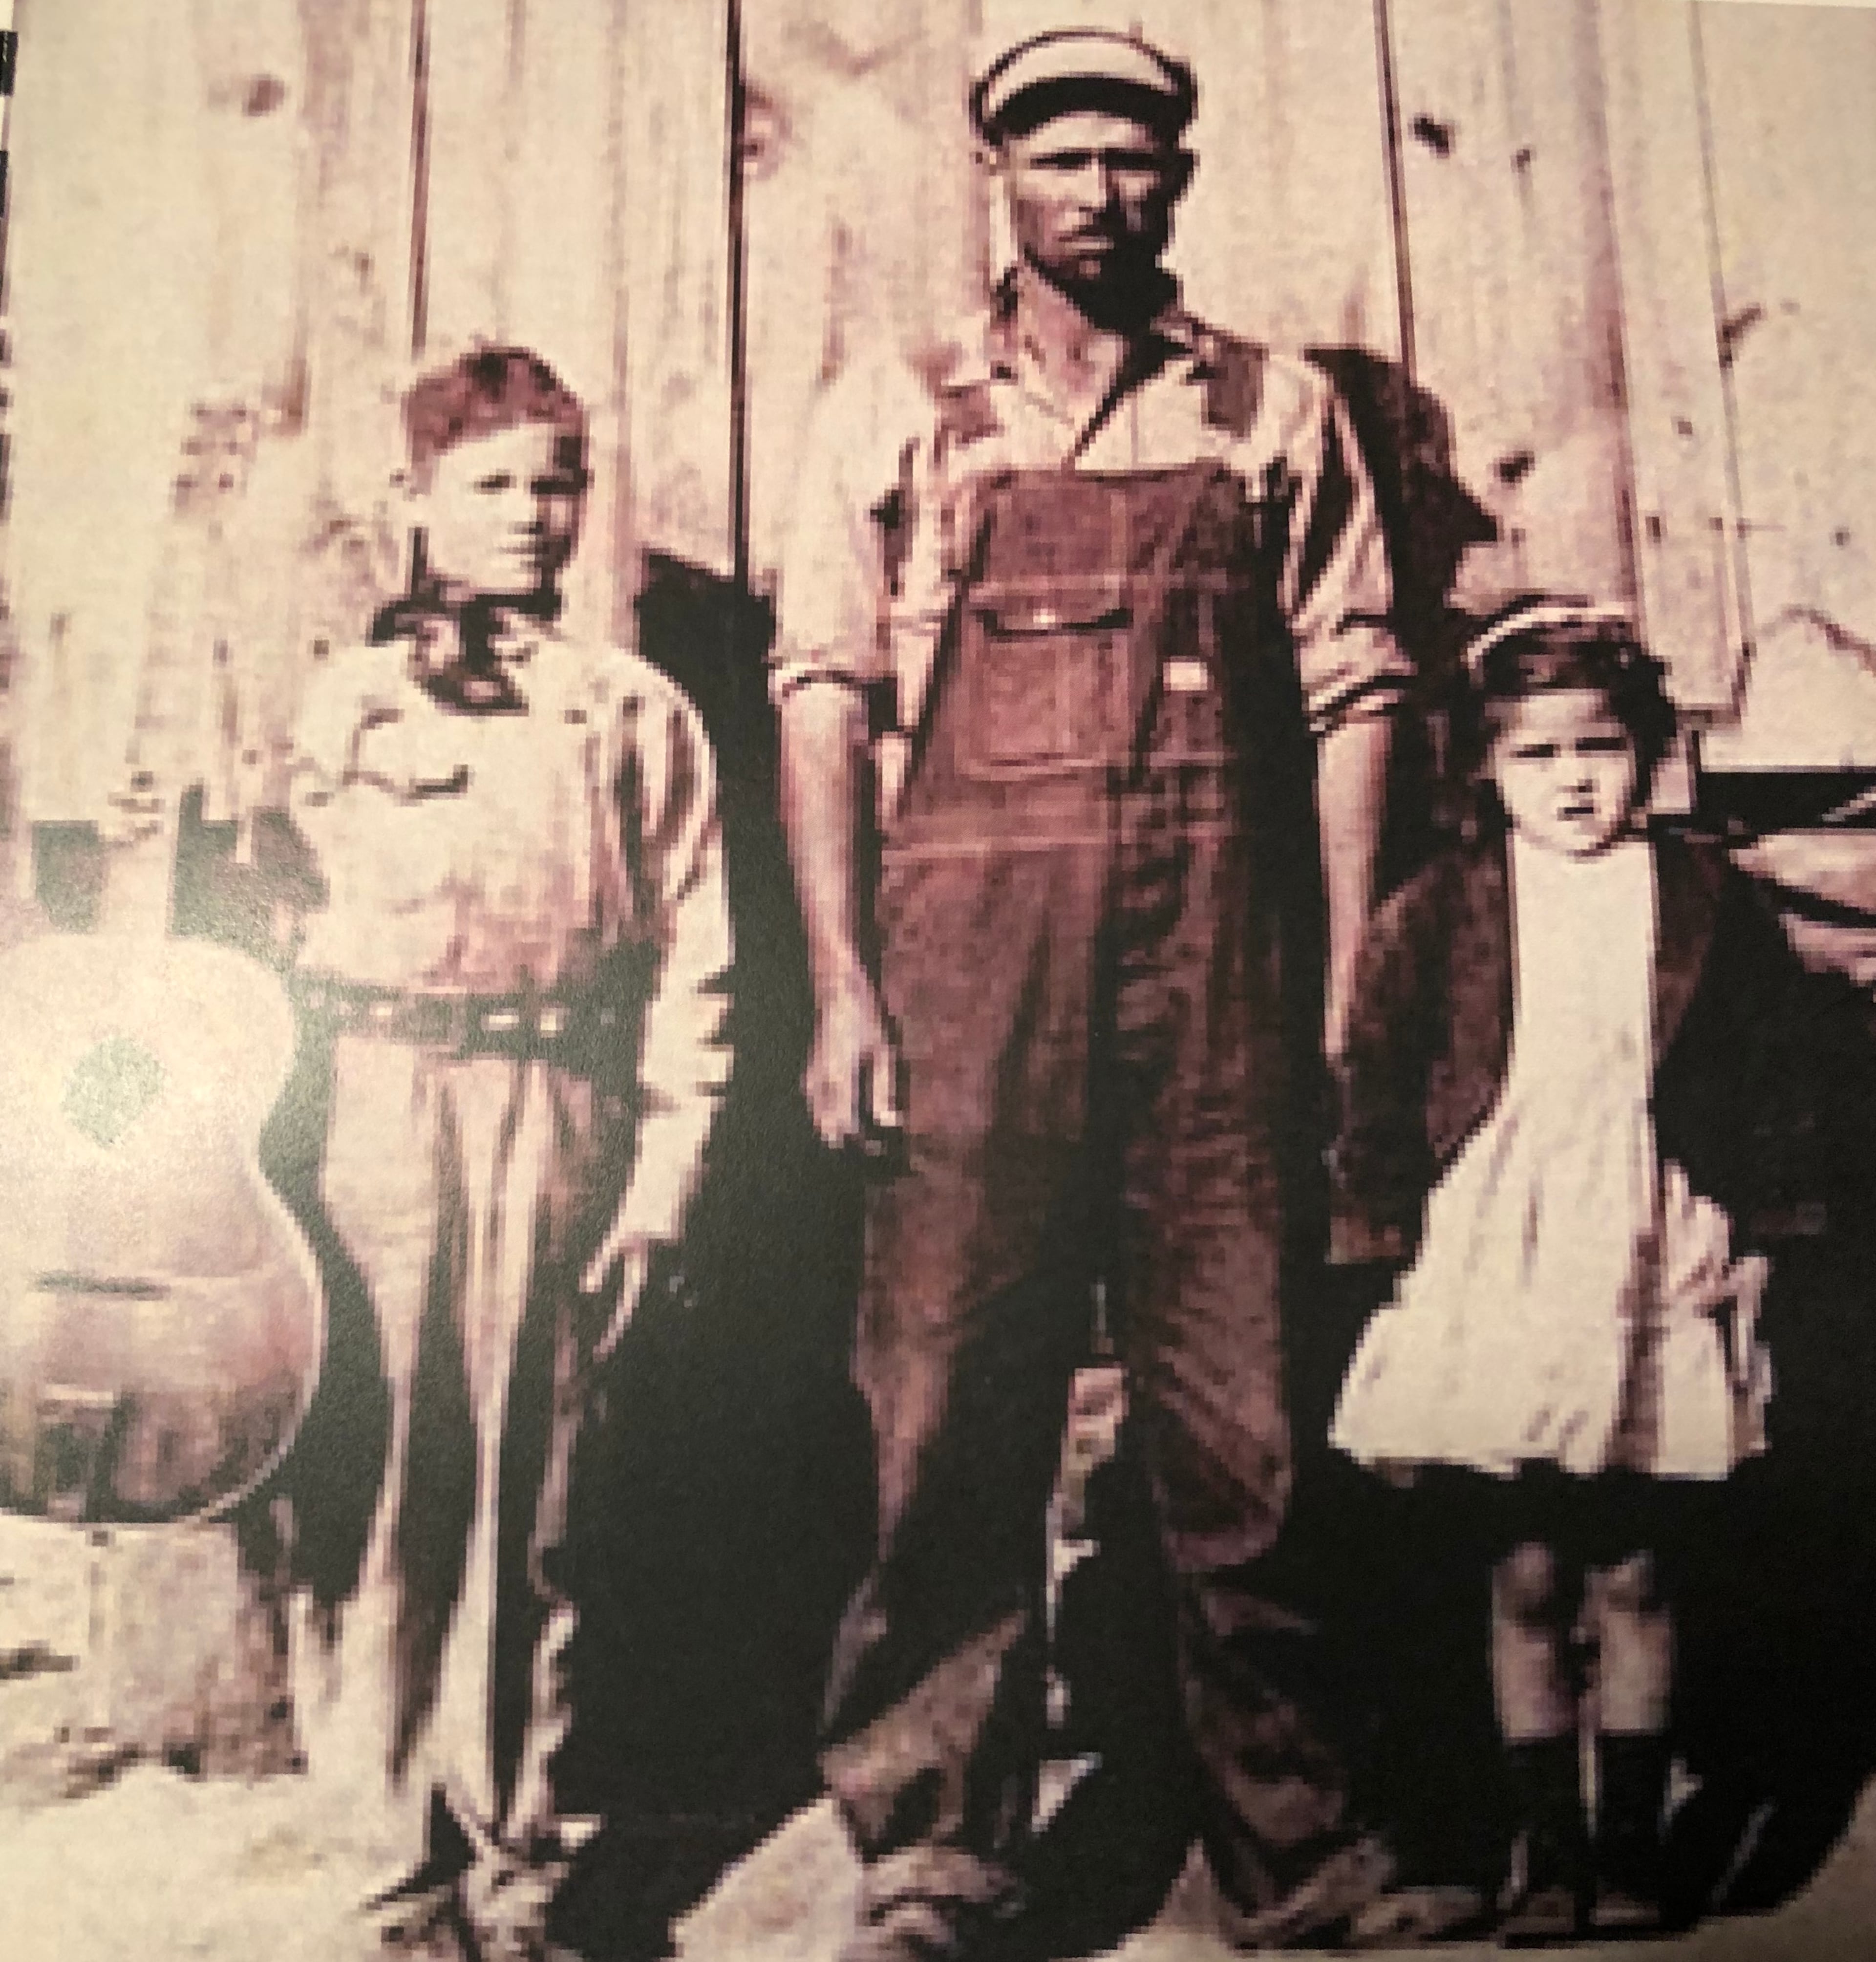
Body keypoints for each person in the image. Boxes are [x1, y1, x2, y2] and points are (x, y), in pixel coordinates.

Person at [773, 25, 1425, 1957]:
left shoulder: (1268, 409)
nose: (1100, 191)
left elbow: (1361, 693)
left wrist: (1341, 994)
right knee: (947, 1413)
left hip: (1220, 985)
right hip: (963, 983)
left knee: (1247, 1430)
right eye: (1062, 158)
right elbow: (826, 703)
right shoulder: (899, 406)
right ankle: (932, 1849)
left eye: (1136, 160)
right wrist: (841, 989)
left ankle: (1297, 1850)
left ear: (1179, 182)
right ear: (1002, 179)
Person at [282, 346, 732, 1959]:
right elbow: (264, 928)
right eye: (490, 484)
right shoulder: (342, 705)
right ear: (416, 506)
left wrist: (665, 1182)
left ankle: (522, 1867)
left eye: (556, 482)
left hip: (560, 1118)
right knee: (382, 1491)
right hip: (377, 1115)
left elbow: (700, 965)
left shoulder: (631, 709)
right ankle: (392, 1874)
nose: (531, 514)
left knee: (541, 1506)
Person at [1328, 598, 1864, 1940]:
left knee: (1634, 1565)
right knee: (1523, 1573)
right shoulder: (1438, 913)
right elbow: (1376, 1089)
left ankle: (1628, 1847)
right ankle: (1546, 1854)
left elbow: (1771, 1086)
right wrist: (1384, 1246)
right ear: (1484, 771)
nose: (1573, 781)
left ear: (1651, 751)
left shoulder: (1705, 903)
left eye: (1601, 749)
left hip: (1652, 1243)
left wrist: (1759, 1239)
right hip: (1500, 1254)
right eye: (1537, 755)